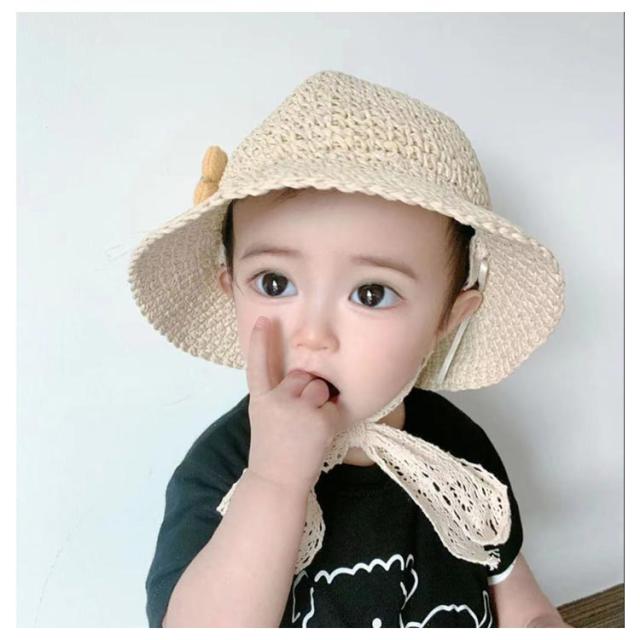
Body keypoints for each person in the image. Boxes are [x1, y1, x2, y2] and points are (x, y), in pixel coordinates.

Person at [128, 70, 572, 627]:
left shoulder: (458, 448)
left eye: (371, 293)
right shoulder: (223, 469)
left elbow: (512, 586)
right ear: (231, 289)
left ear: (447, 319)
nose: (313, 334)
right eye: (274, 283)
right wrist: (274, 481)